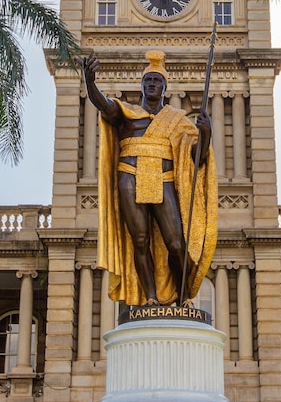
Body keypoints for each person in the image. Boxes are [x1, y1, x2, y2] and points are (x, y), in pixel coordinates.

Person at [81, 50, 218, 307]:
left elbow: (197, 158)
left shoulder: (176, 120)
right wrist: (90, 84)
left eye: (157, 81)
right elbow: (103, 105)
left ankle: (183, 295)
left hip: (163, 179)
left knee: (176, 243)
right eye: (148, 81)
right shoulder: (128, 113)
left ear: (164, 88)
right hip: (129, 178)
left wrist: (206, 134)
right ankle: (151, 297)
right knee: (140, 241)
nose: (152, 84)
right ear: (142, 87)